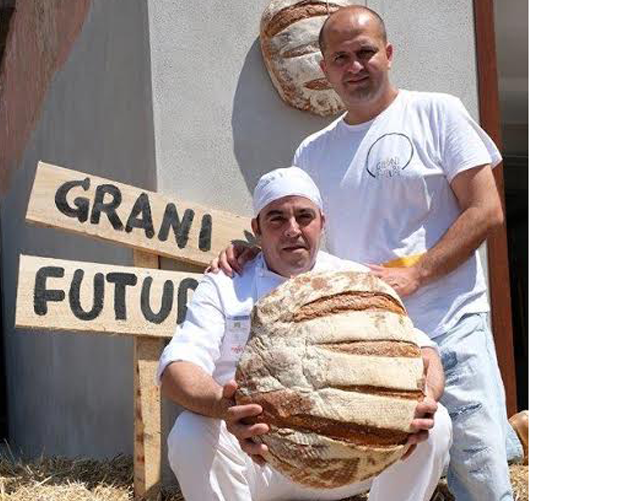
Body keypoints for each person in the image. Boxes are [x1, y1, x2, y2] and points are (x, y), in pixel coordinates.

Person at [210, 6, 526, 501]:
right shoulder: (312, 152)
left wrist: (418, 274)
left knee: (480, 474)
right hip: (367, 350)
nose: (354, 67)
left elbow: (486, 211)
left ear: (389, 54)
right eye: (340, 58)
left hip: (449, 324)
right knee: (384, 469)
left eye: (365, 53)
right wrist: (250, 251)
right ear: (325, 68)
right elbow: (305, 236)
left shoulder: (436, 112)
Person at [158, 167, 452, 501]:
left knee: (435, 424)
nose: (292, 230)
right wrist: (224, 407)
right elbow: (176, 368)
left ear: (322, 223)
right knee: (190, 432)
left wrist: (426, 395)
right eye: (277, 219)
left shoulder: (354, 280)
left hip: (353, 459)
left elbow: (425, 352)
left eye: (304, 216)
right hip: (259, 455)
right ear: (256, 228)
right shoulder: (225, 285)